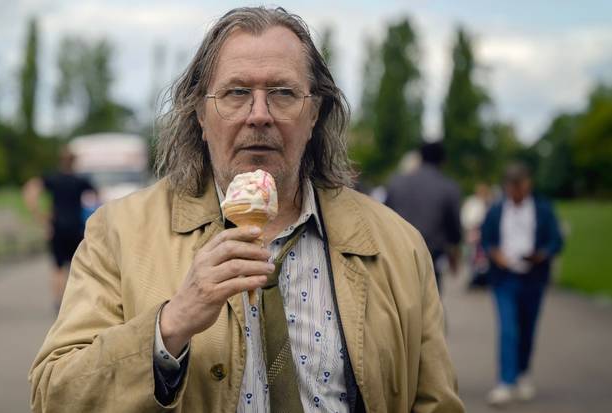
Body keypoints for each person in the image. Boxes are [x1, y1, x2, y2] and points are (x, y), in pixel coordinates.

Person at [30, 7, 463, 413]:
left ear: (314, 114)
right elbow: (55, 394)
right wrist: (169, 327)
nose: (259, 115)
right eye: (237, 93)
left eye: (283, 93)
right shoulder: (119, 232)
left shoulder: (398, 245)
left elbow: (435, 403)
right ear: (201, 113)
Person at [481, 163, 563, 406]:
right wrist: (495, 254)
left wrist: (541, 254)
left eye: (520, 186)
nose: (516, 191)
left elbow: (556, 242)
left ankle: (523, 373)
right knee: (508, 329)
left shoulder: (543, 209)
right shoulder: (496, 210)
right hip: (504, 278)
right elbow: (486, 240)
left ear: (528, 184)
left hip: (533, 278)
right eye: (512, 186)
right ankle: (506, 382)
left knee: (527, 328)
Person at [23, 147, 95, 311]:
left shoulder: (53, 179)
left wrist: (38, 214)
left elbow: (30, 189)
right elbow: (97, 197)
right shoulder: (80, 181)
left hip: (57, 227)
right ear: (74, 162)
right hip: (76, 227)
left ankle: (59, 302)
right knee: (76, 267)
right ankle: (75, 302)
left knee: (57, 267)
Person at [385, 142, 462, 292]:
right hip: (430, 257)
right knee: (429, 306)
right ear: (443, 161)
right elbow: (454, 229)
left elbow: (383, 217)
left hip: (397, 255)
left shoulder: (397, 183)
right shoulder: (448, 187)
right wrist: (454, 254)